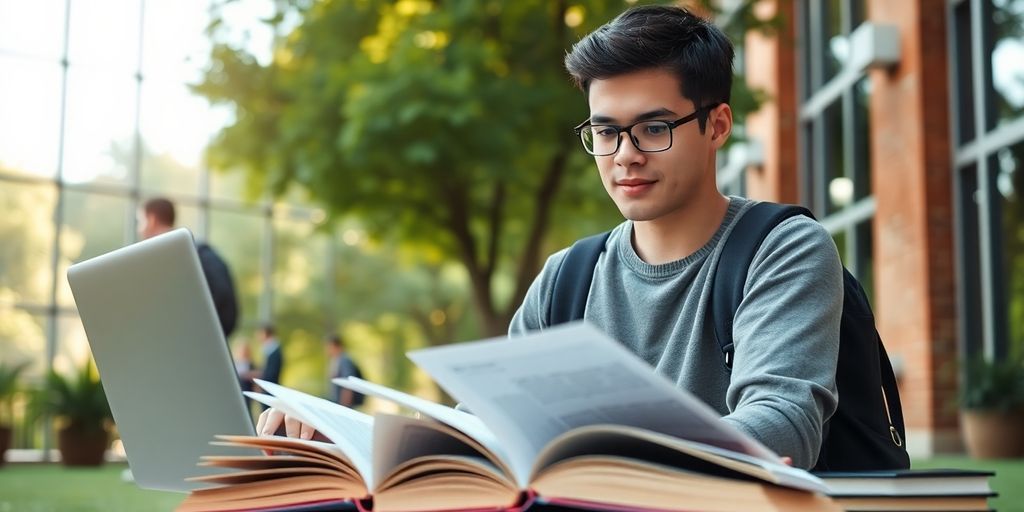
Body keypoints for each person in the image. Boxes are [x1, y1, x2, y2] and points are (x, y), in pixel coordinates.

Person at [257, 5, 843, 471]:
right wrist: (341, 437)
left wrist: (598, 459)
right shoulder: (568, 277)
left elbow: (782, 421)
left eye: (654, 128)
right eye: (607, 132)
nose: (626, 156)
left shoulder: (782, 248)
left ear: (716, 125)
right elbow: (484, 431)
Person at [140, 197, 240, 339]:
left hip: (195, 340)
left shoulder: (196, 253)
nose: (140, 230)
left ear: (152, 219)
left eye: (141, 222)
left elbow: (223, 300)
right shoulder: (195, 253)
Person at [325, 334, 365, 408]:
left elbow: (347, 384)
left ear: (337, 346)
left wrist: (344, 407)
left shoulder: (344, 361)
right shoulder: (335, 361)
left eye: (329, 347)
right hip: (337, 401)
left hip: (344, 404)